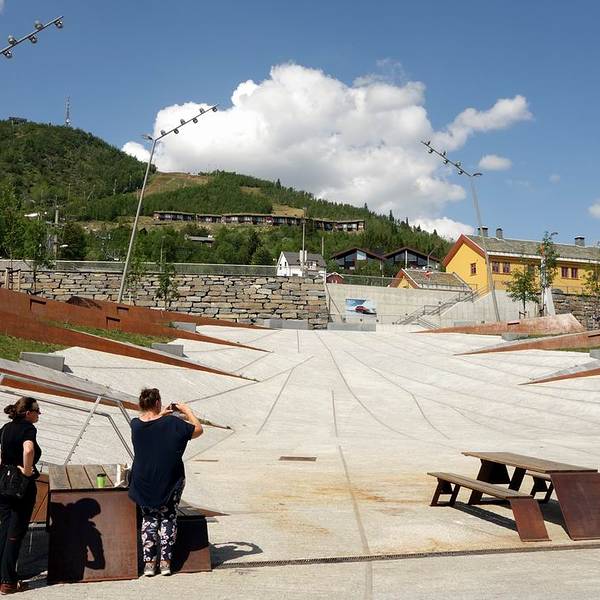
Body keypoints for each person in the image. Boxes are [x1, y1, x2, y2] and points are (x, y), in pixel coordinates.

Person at [128, 388, 202, 577]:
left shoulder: (135, 425)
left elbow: (151, 423)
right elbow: (198, 430)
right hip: (169, 480)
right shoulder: (172, 423)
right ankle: (165, 563)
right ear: (157, 403)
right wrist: (187, 411)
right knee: (168, 517)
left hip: (143, 480)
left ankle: (149, 565)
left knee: (149, 519)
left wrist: (160, 414)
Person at [0, 397, 42, 595]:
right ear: (28, 413)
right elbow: (28, 449)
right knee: (15, 533)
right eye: (37, 410)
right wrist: (26, 470)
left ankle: (2, 576)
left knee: (4, 528)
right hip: (20, 486)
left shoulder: (6, 428)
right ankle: (8, 581)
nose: (39, 414)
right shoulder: (28, 429)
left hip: (3, 482)